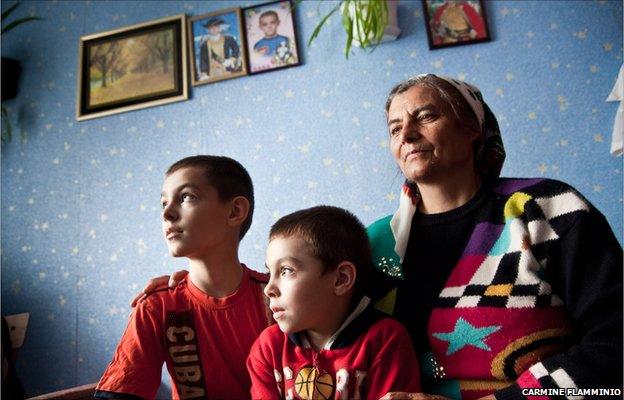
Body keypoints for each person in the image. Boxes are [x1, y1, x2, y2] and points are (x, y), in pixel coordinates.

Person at [372, 74, 623, 399]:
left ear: (473, 129)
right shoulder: (377, 243)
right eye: (394, 128)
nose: (406, 133)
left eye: (426, 116)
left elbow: (614, 341)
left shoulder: (544, 208)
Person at [95, 155, 272, 399]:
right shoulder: (157, 307)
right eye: (163, 203)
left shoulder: (276, 297)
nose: (167, 213)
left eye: (187, 197)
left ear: (235, 211)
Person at [247, 206, 421, 399]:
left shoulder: (385, 341)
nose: (268, 289)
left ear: (341, 279)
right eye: (269, 273)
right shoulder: (269, 347)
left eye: (286, 271)